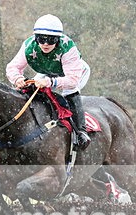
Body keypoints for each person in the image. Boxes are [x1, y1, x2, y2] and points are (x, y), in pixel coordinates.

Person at [6, 14, 92, 150]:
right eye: (41, 39)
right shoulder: (29, 46)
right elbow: (12, 67)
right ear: (35, 38)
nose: (45, 44)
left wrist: (50, 82)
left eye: (51, 40)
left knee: (70, 91)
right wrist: (18, 79)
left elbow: (72, 80)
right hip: (48, 71)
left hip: (74, 73)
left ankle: (81, 132)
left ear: (58, 39)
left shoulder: (68, 47)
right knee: (30, 90)